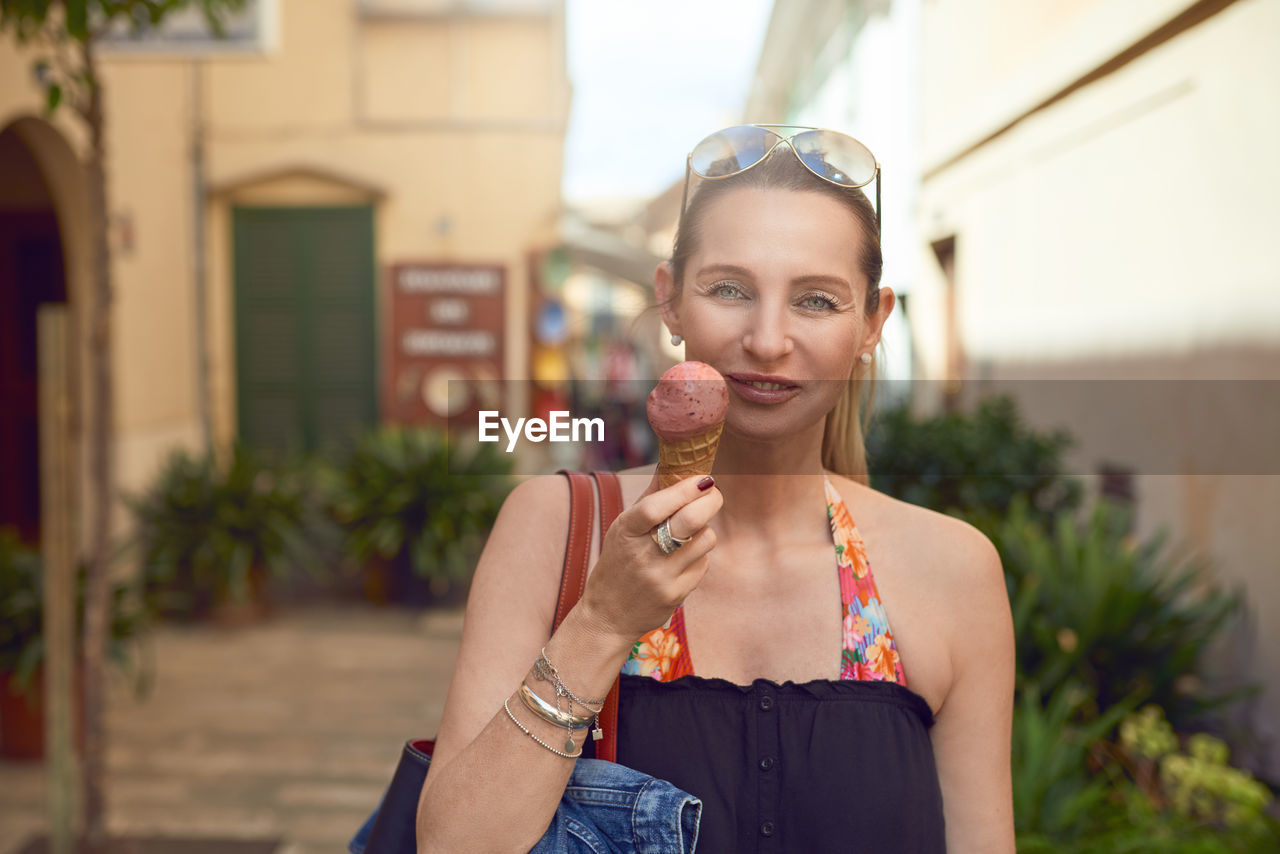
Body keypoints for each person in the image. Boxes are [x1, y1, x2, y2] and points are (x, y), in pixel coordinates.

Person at [415, 125, 1015, 852]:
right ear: (670, 301)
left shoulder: (951, 569)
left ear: (871, 322)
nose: (766, 340)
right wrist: (603, 621)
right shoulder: (553, 527)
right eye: (729, 289)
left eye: (817, 301)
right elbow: (454, 844)